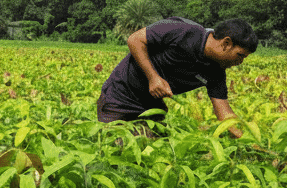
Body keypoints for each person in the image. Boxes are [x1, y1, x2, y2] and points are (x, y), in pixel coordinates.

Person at [97, 17, 257, 138]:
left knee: (154, 153)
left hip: (151, 106)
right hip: (120, 97)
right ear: (226, 43)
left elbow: (224, 112)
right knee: (113, 148)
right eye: (240, 55)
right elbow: (135, 39)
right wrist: (153, 77)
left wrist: (247, 138)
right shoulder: (182, 30)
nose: (240, 62)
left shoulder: (216, 71)